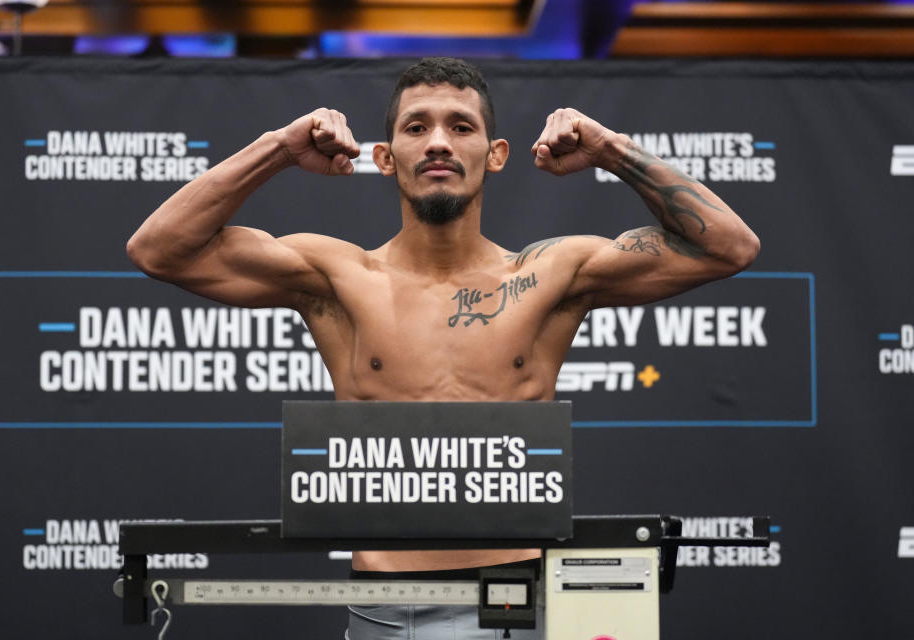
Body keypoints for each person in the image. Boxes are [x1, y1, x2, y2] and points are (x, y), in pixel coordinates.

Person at [127, 57, 759, 639]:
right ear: (385, 155)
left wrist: (611, 150)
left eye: (461, 127)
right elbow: (158, 250)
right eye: (416, 127)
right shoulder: (336, 278)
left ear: (496, 153)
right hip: (383, 604)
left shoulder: (549, 276)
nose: (437, 143)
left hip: (518, 600)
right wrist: (280, 148)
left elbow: (729, 247)